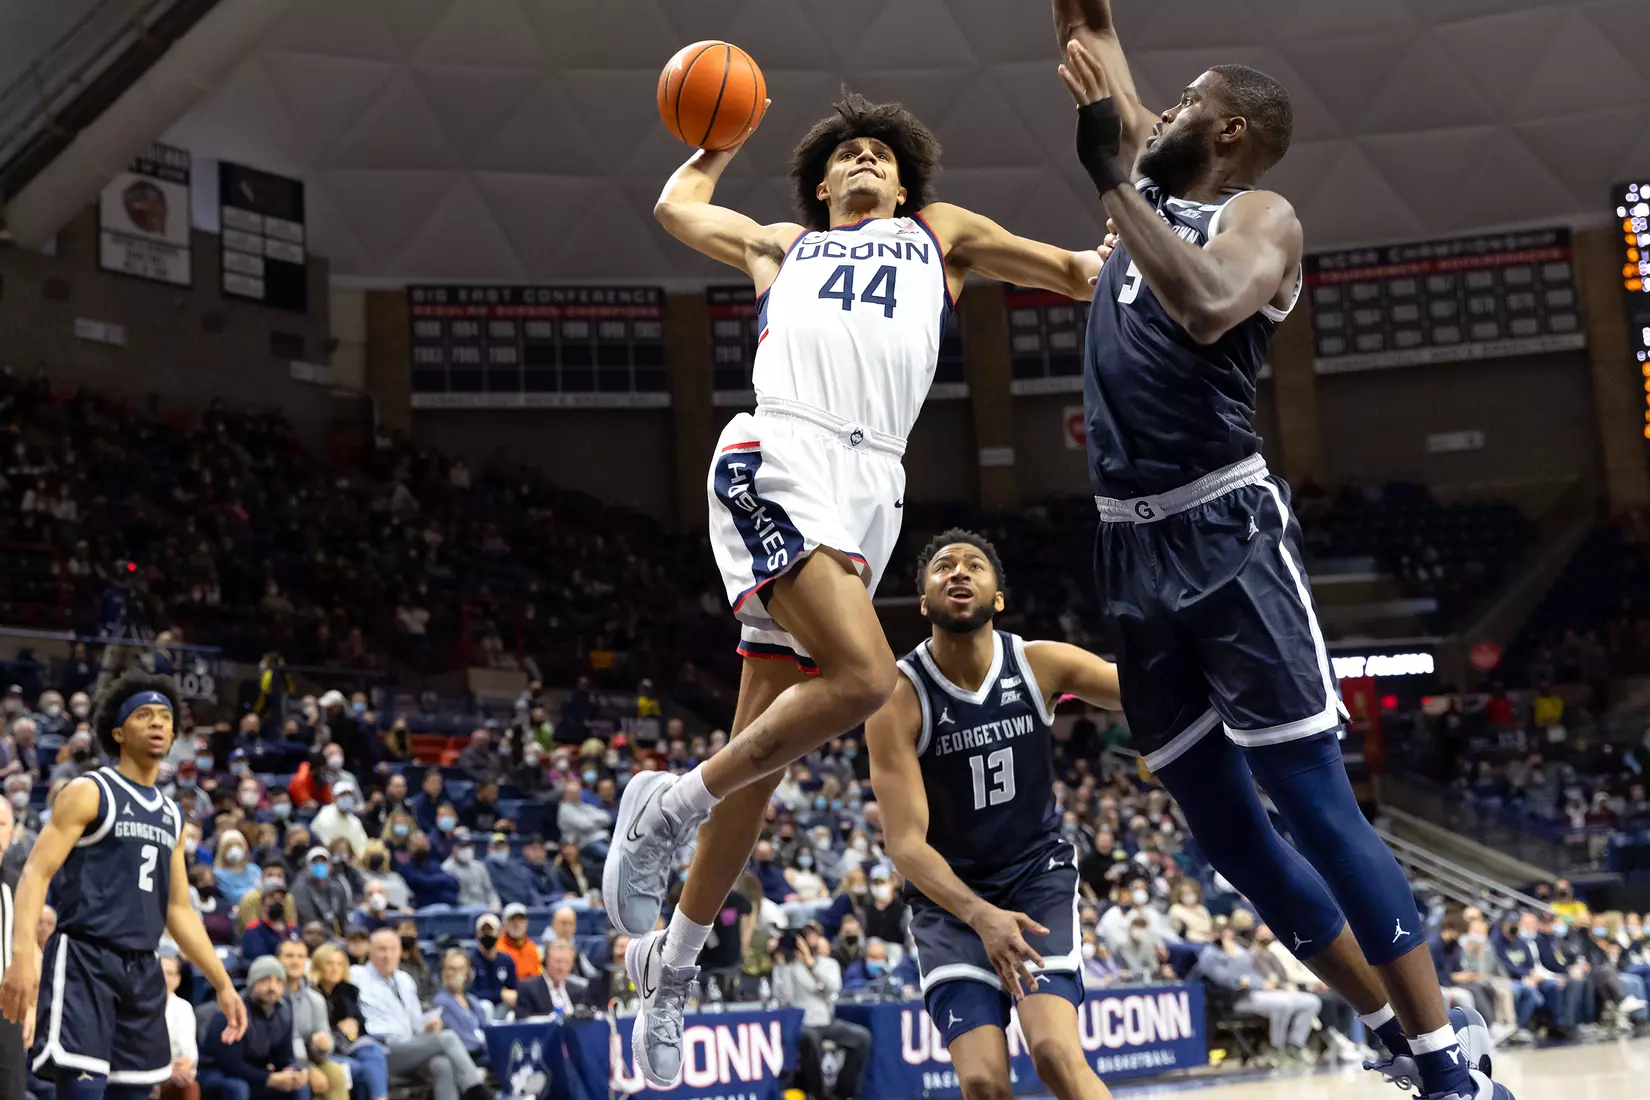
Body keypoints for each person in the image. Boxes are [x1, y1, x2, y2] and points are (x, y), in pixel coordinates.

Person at [605, 86, 1107, 1089]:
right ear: (824, 179)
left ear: (905, 177)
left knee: (766, 749)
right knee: (868, 675)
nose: (868, 159)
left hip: (873, 489)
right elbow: (673, 209)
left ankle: (671, 963)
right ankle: (666, 804)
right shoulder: (779, 246)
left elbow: (1070, 270)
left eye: (884, 151)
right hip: (779, 447)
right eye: (850, 154)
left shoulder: (939, 235)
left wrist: (1123, 246)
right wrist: (718, 140)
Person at [1052, 4, 1501, 1097]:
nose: (1157, 112)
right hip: (1128, 549)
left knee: (1309, 800)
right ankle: (1391, 1029)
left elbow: (1207, 308)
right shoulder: (1150, 190)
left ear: (1233, 128)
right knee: (1231, 839)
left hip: (1222, 530)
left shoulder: (1260, 214)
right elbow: (1086, 22)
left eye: (1185, 102)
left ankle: (1451, 1062)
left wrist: (1113, 181)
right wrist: (1121, 161)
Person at [857, 531, 1123, 1100]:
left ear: (997, 597)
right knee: (982, 1083)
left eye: (974, 566)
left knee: (1054, 1053)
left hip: (1034, 881)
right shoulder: (897, 698)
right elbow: (905, 845)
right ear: (923, 600)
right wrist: (979, 914)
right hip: (949, 902)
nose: (958, 572)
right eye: (943, 567)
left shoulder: (1039, 663)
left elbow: (1140, 693)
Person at [0, 670, 247, 1094]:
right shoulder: (89, 791)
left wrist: (222, 982)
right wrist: (22, 953)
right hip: (85, 961)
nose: (157, 724)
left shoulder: (171, 814)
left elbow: (178, 909)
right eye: (144, 715)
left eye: (165, 717)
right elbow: (36, 873)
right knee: (82, 1090)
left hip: (143, 970)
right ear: (117, 731)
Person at [352, 929, 490, 1100]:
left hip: (410, 1047)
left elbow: (416, 1023)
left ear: (400, 952)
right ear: (370, 951)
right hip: (381, 1049)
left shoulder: (405, 980)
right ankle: (478, 1092)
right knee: (446, 1038)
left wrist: (428, 1027)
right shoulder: (357, 976)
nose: (387, 955)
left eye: (393, 949)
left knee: (443, 1065)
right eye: (381, 949)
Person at [772, 926, 871, 1100]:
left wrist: (811, 965)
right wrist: (782, 966)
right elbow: (784, 998)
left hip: (827, 1021)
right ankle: (819, 1094)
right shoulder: (789, 967)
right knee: (810, 1040)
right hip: (803, 1024)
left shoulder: (828, 964)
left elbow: (833, 988)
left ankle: (843, 1091)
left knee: (862, 1037)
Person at [199, 955, 306, 1100]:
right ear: (252, 983)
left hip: (256, 1072)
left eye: (278, 981)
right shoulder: (232, 1010)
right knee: (238, 1087)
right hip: (217, 1071)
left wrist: (292, 1072)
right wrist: (270, 1078)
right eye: (265, 980)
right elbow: (231, 1065)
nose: (272, 987)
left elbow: (285, 1056)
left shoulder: (284, 1011)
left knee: (299, 1085)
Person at [310, 944, 389, 1100]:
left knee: (372, 1051)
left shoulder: (348, 991)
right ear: (318, 966)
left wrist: (354, 1027)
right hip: (322, 1051)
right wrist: (339, 1030)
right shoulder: (310, 993)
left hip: (348, 1045)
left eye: (339, 964)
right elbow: (315, 1030)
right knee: (361, 1069)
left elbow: (360, 1025)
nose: (335, 969)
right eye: (330, 964)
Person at [277, 940, 345, 1100]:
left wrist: (321, 1046)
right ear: (278, 960)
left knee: (335, 1073)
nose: (296, 961)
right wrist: (308, 1068)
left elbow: (327, 1042)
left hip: (308, 1060)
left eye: (301, 956)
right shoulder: (272, 995)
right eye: (289, 956)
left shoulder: (315, 999)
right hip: (279, 1061)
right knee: (303, 1080)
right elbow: (284, 1043)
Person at [159, 953, 200, 1100]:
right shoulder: (134, 1005)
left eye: (169, 973)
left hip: (172, 1076)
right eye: (160, 972)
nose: (164, 978)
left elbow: (188, 1053)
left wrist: (184, 1067)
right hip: (143, 1075)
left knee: (190, 1086)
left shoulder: (183, 1008)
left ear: (177, 980)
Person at [516, 939, 592, 1017]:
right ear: (546, 961)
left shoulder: (579, 991)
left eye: (567, 962)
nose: (562, 967)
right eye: (558, 961)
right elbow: (524, 1022)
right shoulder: (527, 988)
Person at [431, 951, 486, 1056]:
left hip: (482, 1051)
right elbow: (460, 1039)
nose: (456, 973)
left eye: (461, 968)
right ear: (443, 972)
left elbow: (486, 1029)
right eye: (452, 969)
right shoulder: (440, 1002)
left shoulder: (472, 1000)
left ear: (468, 972)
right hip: (464, 1055)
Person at [293, 848, 352, 935]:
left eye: (323, 861)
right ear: (307, 866)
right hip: (313, 935)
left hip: (336, 936)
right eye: (315, 862)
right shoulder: (299, 889)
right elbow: (309, 920)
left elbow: (343, 919)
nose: (319, 865)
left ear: (330, 866)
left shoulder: (337, 888)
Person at [469, 913, 518, 1016]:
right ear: (477, 934)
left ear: (499, 933)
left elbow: (513, 988)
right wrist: (499, 995)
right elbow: (471, 993)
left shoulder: (506, 960)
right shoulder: (470, 961)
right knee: (486, 1006)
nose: (487, 934)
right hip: (479, 1009)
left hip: (502, 1008)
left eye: (490, 930)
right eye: (483, 930)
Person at [499, 902, 543, 981]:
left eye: (520, 919)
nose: (517, 924)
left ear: (526, 923)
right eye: (512, 919)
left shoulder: (533, 948)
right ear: (504, 922)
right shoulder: (497, 949)